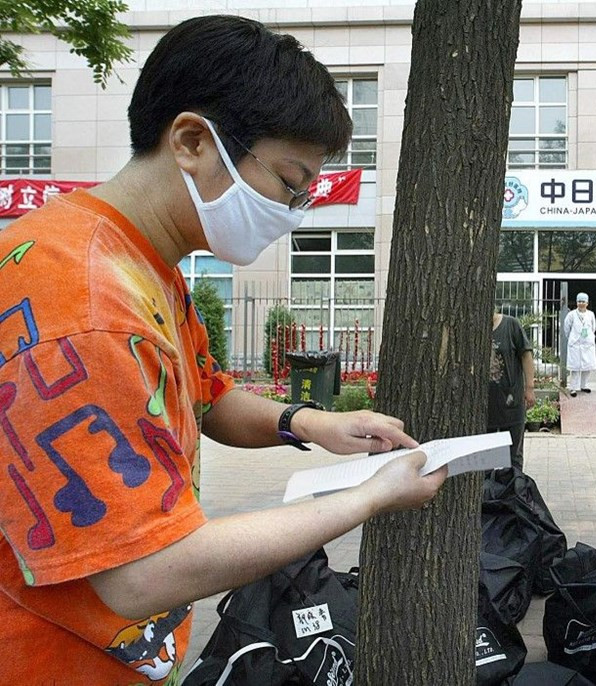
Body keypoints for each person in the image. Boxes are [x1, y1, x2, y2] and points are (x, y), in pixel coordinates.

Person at [0, 16, 447, 684]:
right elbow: (143, 573)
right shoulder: (88, 305)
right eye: (290, 182)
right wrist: (368, 500)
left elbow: (203, 396)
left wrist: (313, 423)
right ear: (190, 140)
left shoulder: (139, 260)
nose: (294, 211)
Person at [487, 311, 535, 471]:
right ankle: (490, 493)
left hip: (512, 400)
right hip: (486, 405)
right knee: (487, 457)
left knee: (514, 456)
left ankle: (515, 491)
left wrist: (530, 387)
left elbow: (526, 355)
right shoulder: (476, 328)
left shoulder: (511, 325)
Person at [563, 293, 596, 397]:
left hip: (587, 344)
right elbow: (566, 328)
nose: (581, 303)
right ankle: (573, 388)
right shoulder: (572, 315)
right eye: (579, 301)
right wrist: (573, 338)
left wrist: (588, 338)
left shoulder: (591, 314)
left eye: (583, 301)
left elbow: (593, 328)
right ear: (577, 303)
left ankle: (584, 385)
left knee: (587, 366)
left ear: (587, 303)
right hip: (575, 344)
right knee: (575, 367)